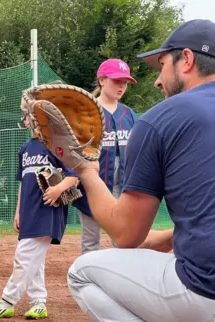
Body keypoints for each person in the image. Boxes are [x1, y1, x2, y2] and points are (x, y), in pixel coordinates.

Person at [67, 19, 215, 321]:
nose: (158, 81)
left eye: (162, 65)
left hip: (205, 290)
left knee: (82, 271)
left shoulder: (160, 117)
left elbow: (125, 236)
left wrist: (84, 169)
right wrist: (164, 240)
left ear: (185, 60)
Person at [0, 106, 79, 319]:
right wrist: (18, 212)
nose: (24, 119)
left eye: (27, 115)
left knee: (24, 255)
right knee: (35, 259)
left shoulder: (56, 144)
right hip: (29, 211)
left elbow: (74, 175)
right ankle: (38, 302)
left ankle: (8, 300)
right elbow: (23, 184)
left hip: (48, 211)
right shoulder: (26, 148)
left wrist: (58, 189)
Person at [72, 59, 138, 254]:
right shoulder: (86, 112)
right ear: (102, 80)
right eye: (117, 80)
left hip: (124, 183)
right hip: (93, 182)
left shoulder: (129, 114)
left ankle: (121, 280)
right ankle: (89, 281)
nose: (122, 86)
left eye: (125, 82)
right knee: (91, 242)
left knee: (122, 238)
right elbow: (75, 149)